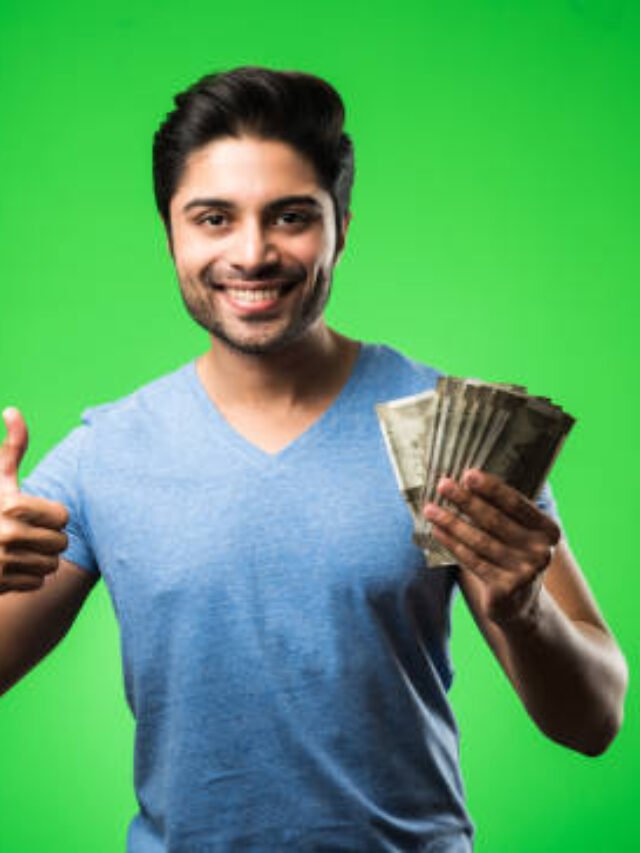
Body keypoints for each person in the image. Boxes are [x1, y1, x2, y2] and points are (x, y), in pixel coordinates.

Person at [0, 66, 628, 852]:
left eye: (291, 216)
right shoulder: (105, 453)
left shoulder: (450, 432)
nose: (253, 253)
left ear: (342, 226)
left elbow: (596, 720)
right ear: (171, 231)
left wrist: (524, 609)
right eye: (214, 218)